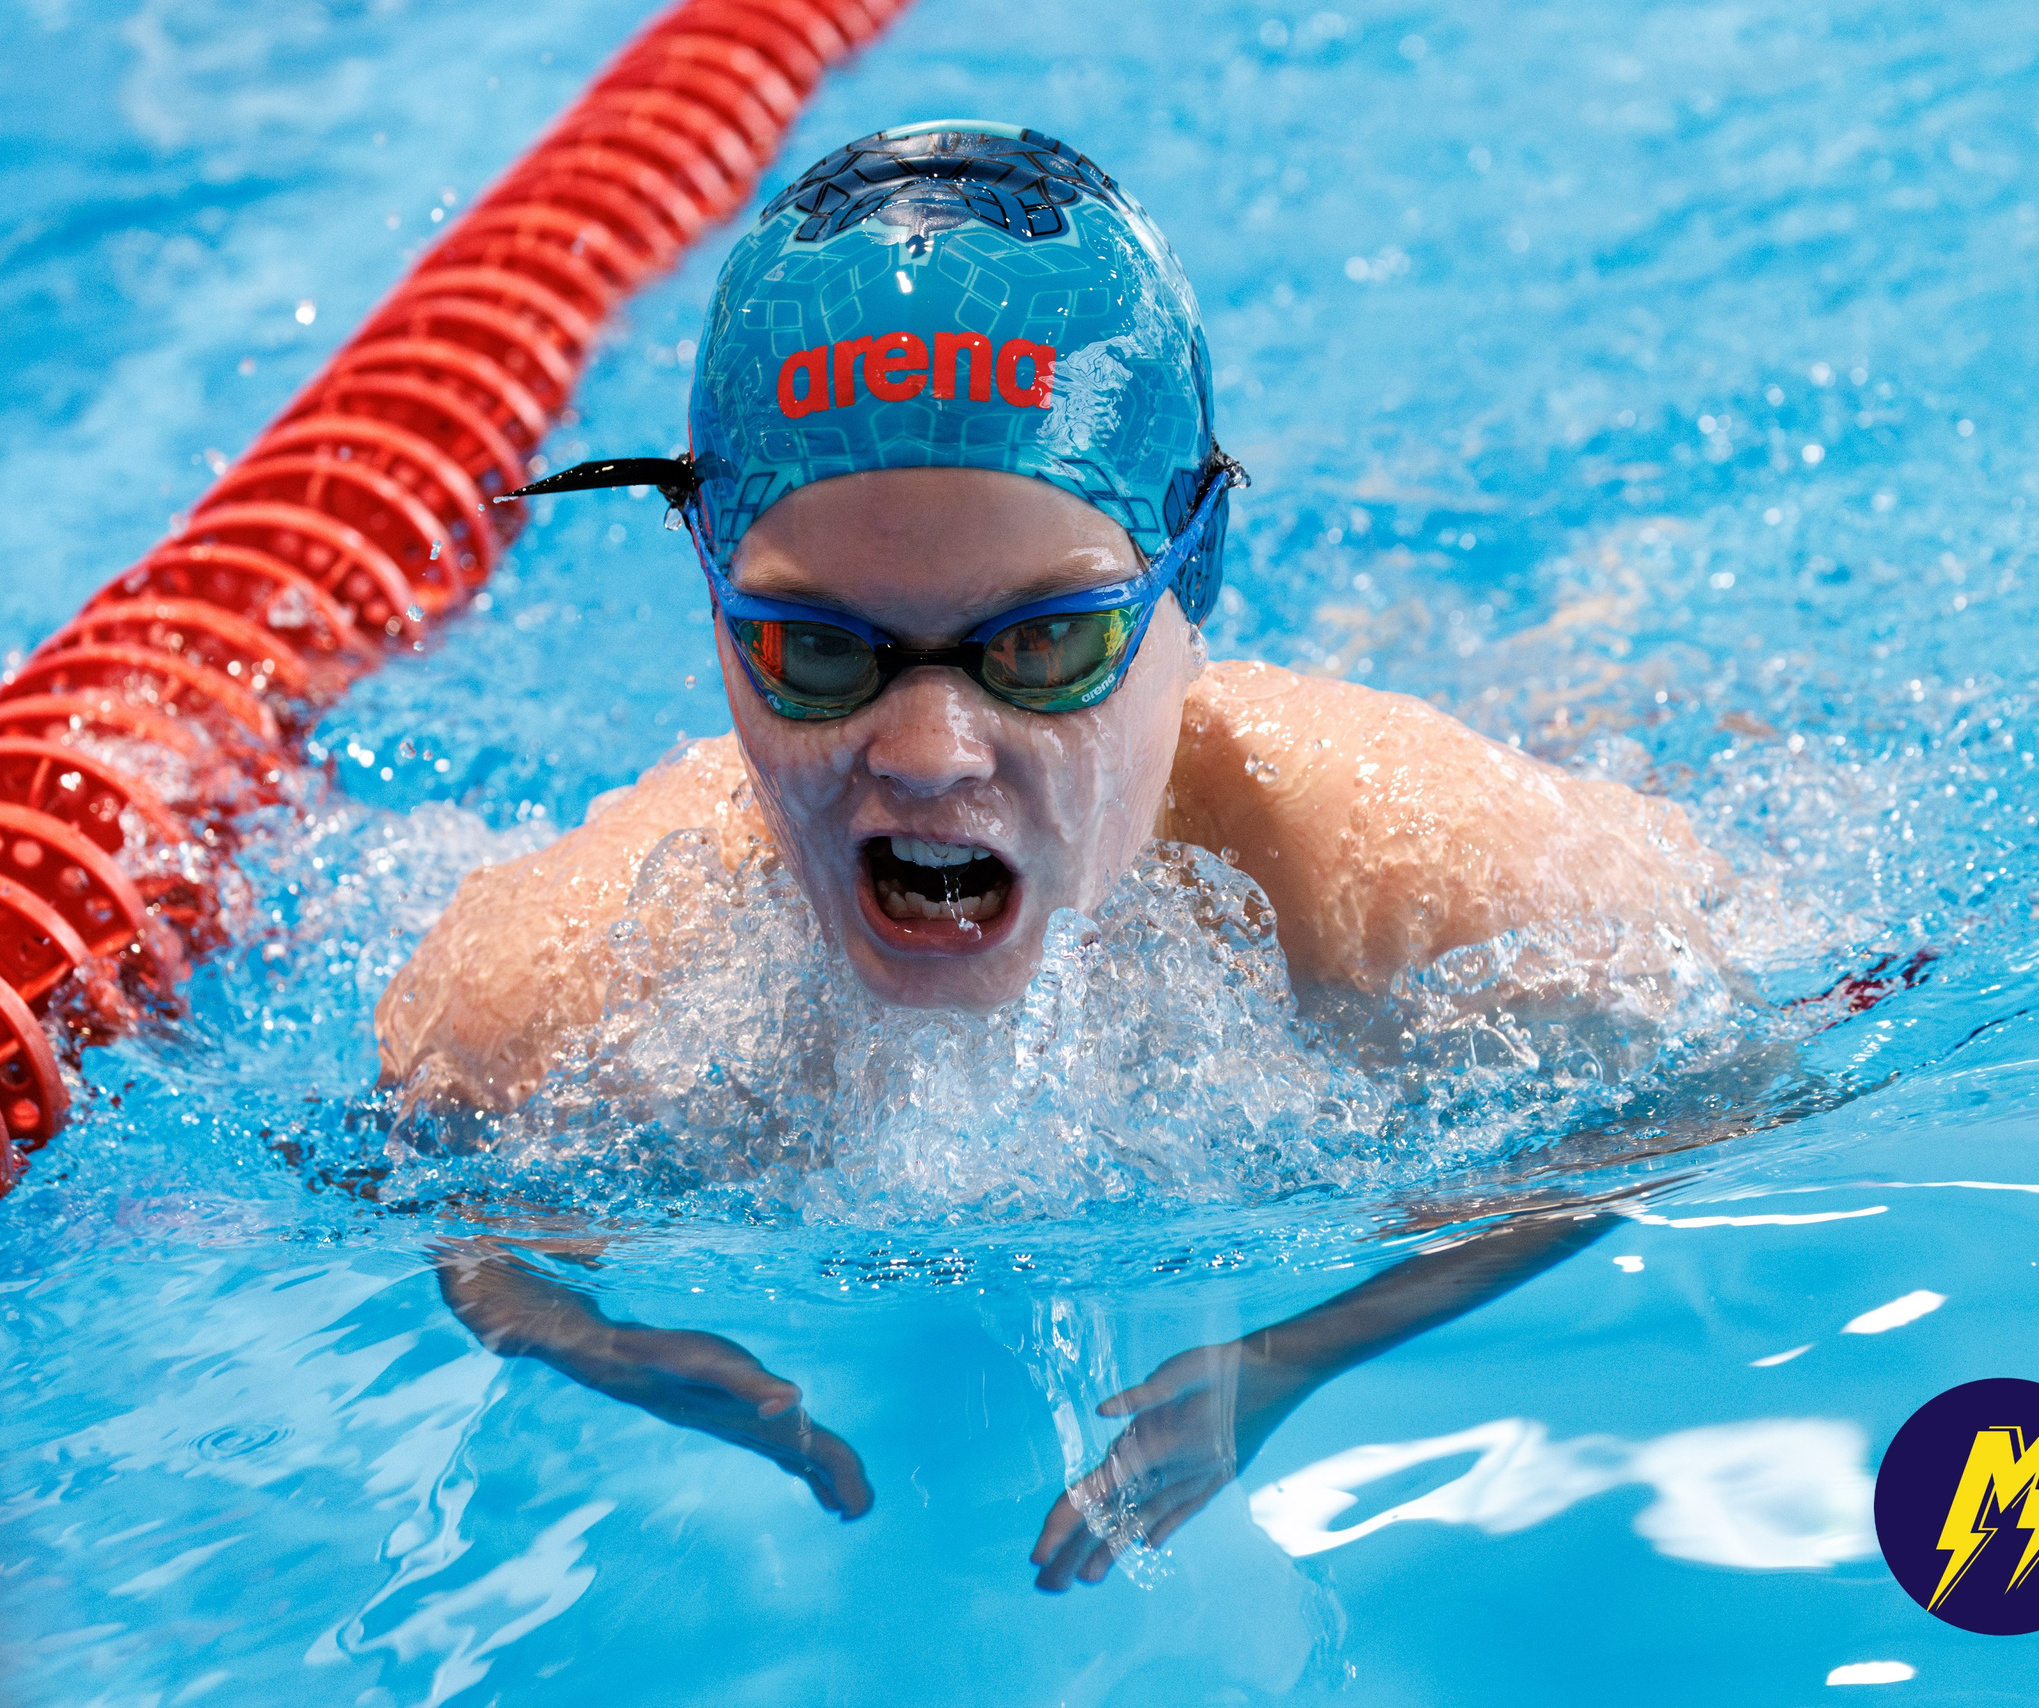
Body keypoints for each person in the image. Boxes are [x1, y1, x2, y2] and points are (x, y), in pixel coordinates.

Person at [383, 122, 1726, 1589]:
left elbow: (1729, 1072)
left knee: (1603, 698)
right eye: (817, 651)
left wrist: (1295, 1356)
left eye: (1047, 642)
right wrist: (573, 1329)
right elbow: (448, 1198)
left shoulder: (1426, 872)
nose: (932, 751)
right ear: (711, 614)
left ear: (1188, 589)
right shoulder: (544, 996)